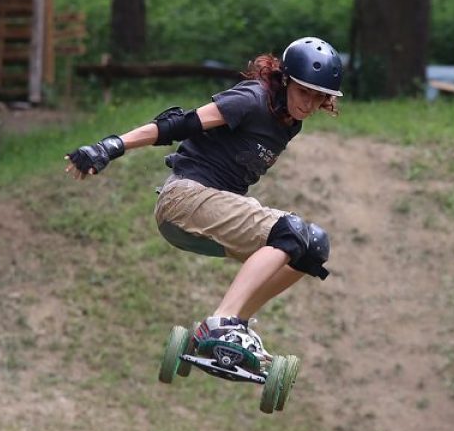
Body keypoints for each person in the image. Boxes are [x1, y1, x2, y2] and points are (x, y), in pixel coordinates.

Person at [65, 36, 343, 370]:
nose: (309, 104)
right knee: (291, 231)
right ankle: (224, 322)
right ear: (285, 80)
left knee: (312, 247)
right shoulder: (251, 100)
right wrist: (110, 146)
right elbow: (180, 124)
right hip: (185, 198)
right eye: (303, 92)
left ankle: (224, 331)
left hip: (208, 210)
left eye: (318, 97)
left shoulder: (289, 123)